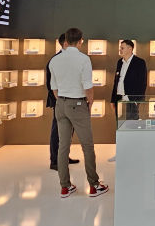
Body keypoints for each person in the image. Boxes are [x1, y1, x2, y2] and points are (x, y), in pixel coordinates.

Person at [47, 27, 108, 199]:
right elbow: (88, 86)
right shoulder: (83, 59)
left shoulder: (55, 60)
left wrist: (62, 101)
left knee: (63, 146)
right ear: (81, 41)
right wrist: (89, 103)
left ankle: (65, 187)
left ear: (66, 40)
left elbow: (54, 88)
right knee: (87, 146)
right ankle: (94, 185)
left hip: (61, 104)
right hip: (78, 103)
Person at [46, 33, 78, 171]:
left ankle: (63, 157)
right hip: (60, 101)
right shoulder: (56, 60)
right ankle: (55, 161)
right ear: (65, 44)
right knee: (58, 131)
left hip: (71, 100)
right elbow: (51, 84)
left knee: (67, 131)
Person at [111, 39, 147, 122]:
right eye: (120, 48)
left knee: (131, 123)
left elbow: (142, 83)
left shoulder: (139, 62)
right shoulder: (119, 62)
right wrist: (113, 100)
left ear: (130, 49)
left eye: (122, 48)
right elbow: (116, 82)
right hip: (119, 99)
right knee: (119, 124)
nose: (120, 50)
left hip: (131, 99)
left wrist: (136, 100)